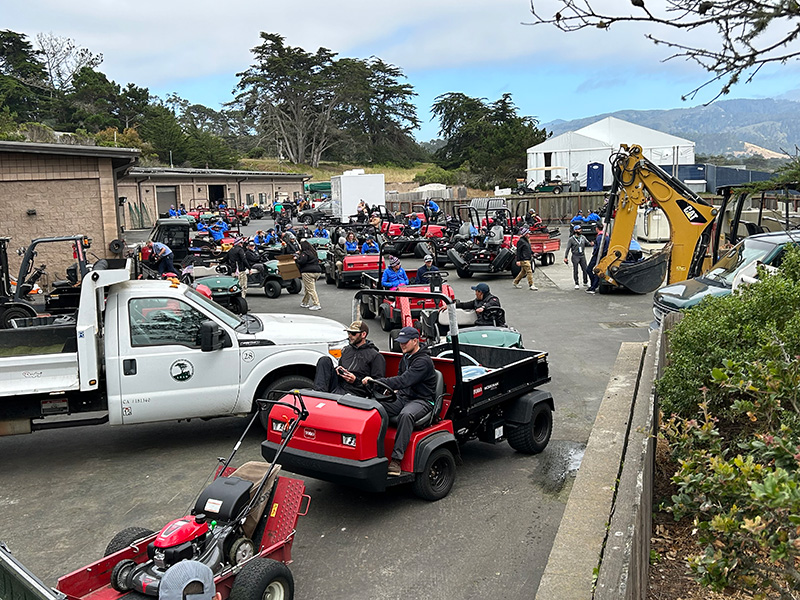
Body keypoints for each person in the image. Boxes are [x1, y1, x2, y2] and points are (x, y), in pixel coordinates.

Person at [362, 326, 437, 476]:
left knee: (406, 415)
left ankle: (396, 461)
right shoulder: (406, 357)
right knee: (375, 407)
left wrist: (376, 381)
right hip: (404, 397)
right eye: (400, 342)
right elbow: (399, 379)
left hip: (422, 400)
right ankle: (369, 450)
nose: (401, 345)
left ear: (415, 341)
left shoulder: (423, 362)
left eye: (405, 342)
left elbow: (404, 380)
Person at [314, 320, 386, 396]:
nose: (350, 336)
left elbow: (379, 386)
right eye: (349, 333)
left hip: (357, 392)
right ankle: (319, 396)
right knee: (324, 360)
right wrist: (338, 370)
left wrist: (355, 381)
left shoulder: (375, 356)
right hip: (339, 386)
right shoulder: (346, 350)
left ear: (363, 334)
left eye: (353, 333)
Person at [295, 239, 322, 310]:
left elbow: (301, 262)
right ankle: (304, 302)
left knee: (311, 289)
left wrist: (296, 259)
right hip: (317, 271)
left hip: (308, 272)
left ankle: (316, 304)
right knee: (308, 288)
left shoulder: (305, 253)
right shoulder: (313, 252)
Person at [564, 224, 590, 289]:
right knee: (576, 270)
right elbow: (568, 248)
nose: (580, 230)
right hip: (575, 256)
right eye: (579, 229)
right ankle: (576, 283)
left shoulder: (583, 237)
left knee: (585, 269)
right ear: (575, 230)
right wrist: (565, 257)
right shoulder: (571, 239)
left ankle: (585, 281)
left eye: (580, 229)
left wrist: (592, 243)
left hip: (582, 255)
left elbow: (588, 243)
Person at [586, 226, 608, 294]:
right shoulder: (607, 236)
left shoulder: (599, 237)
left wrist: (594, 253)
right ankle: (594, 285)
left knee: (589, 269)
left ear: (597, 228)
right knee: (599, 271)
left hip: (598, 256)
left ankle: (593, 285)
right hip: (604, 256)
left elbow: (598, 247)